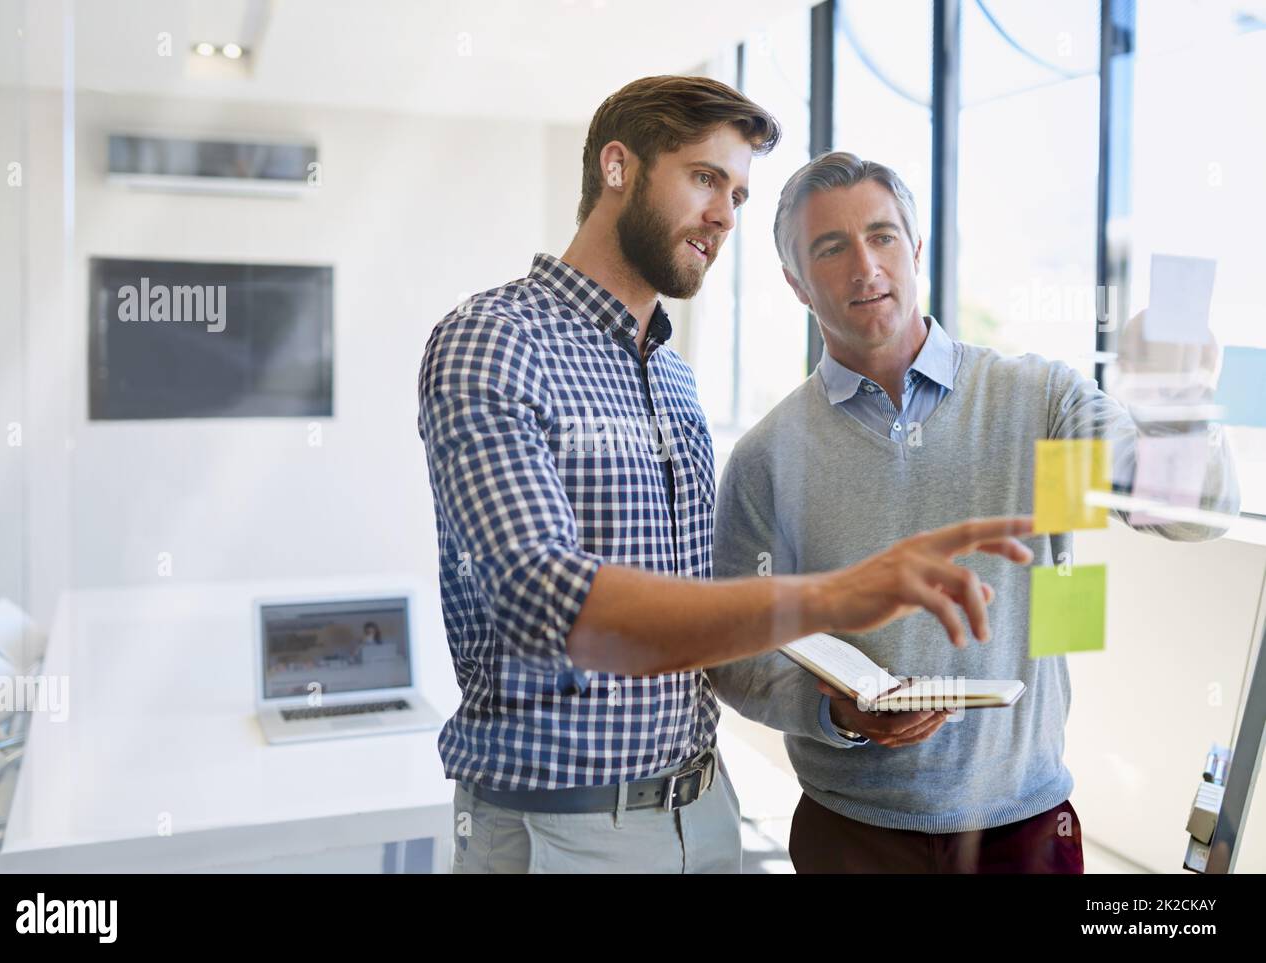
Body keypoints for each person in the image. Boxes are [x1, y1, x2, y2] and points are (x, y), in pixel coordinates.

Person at [418, 83, 1034, 874]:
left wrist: (835, 697)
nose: (725, 216)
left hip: (705, 811)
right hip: (561, 830)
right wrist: (842, 593)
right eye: (705, 179)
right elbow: (544, 598)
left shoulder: (674, 378)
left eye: (737, 194)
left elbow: (701, 615)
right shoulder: (493, 340)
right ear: (617, 167)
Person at [707, 151, 1241, 874]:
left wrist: (1178, 404)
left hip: (1025, 827)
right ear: (796, 282)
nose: (865, 265)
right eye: (831, 248)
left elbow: (1184, 513)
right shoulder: (768, 456)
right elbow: (739, 653)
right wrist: (839, 714)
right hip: (851, 831)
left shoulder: (1040, 403)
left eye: (883, 235)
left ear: (916, 248)